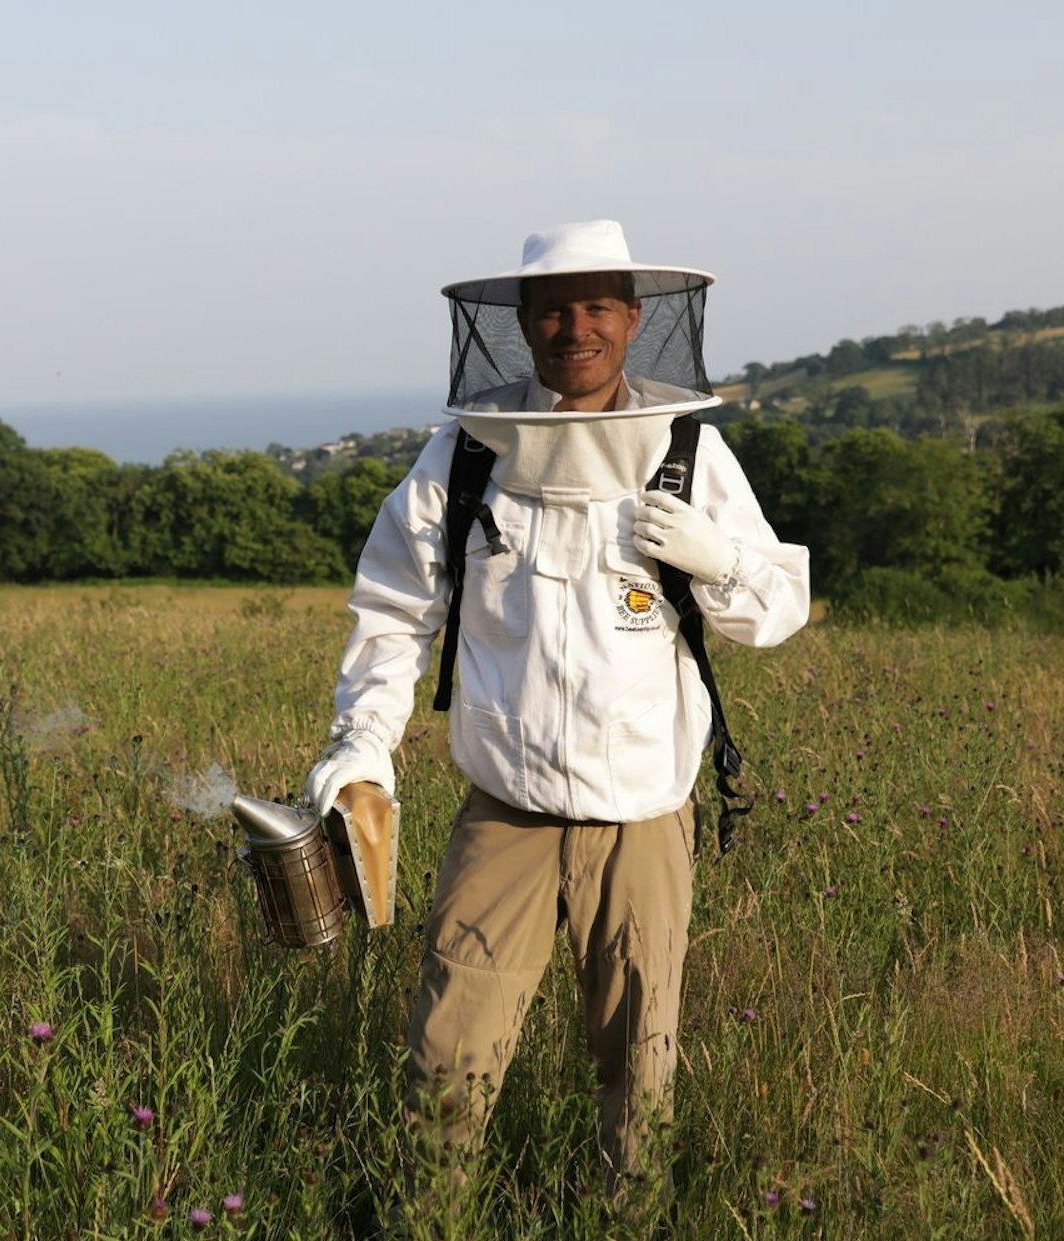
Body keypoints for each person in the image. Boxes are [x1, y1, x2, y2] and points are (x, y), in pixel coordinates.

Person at [305, 221, 811, 1180]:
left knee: (640, 1061)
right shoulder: (465, 457)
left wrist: (720, 560)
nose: (576, 330)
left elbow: (775, 613)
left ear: (634, 319)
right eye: (552, 312)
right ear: (521, 324)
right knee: (446, 1060)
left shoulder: (691, 453)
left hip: (644, 813)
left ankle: (627, 1229)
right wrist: (362, 739)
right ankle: (432, 1227)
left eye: (597, 308)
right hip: (508, 811)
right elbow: (395, 610)